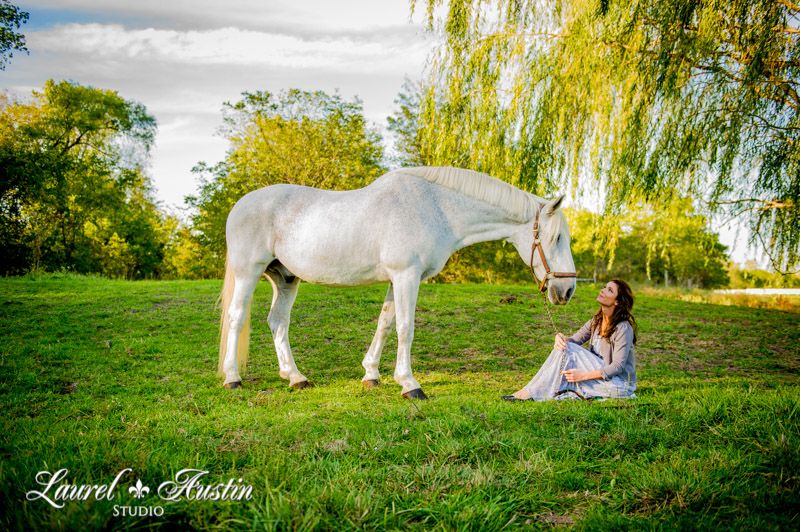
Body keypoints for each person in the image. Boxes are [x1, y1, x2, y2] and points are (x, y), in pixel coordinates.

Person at [503, 279, 638, 401]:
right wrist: (560, 337)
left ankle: (529, 393)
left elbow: (617, 367)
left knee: (569, 349)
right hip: (601, 377)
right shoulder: (596, 321)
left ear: (617, 301)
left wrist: (583, 376)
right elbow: (573, 341)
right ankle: (530, 391)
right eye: (604, 287)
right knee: (564, 346)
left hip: (620, 384)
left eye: (610, 290)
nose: (602, 290)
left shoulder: (623, 328)